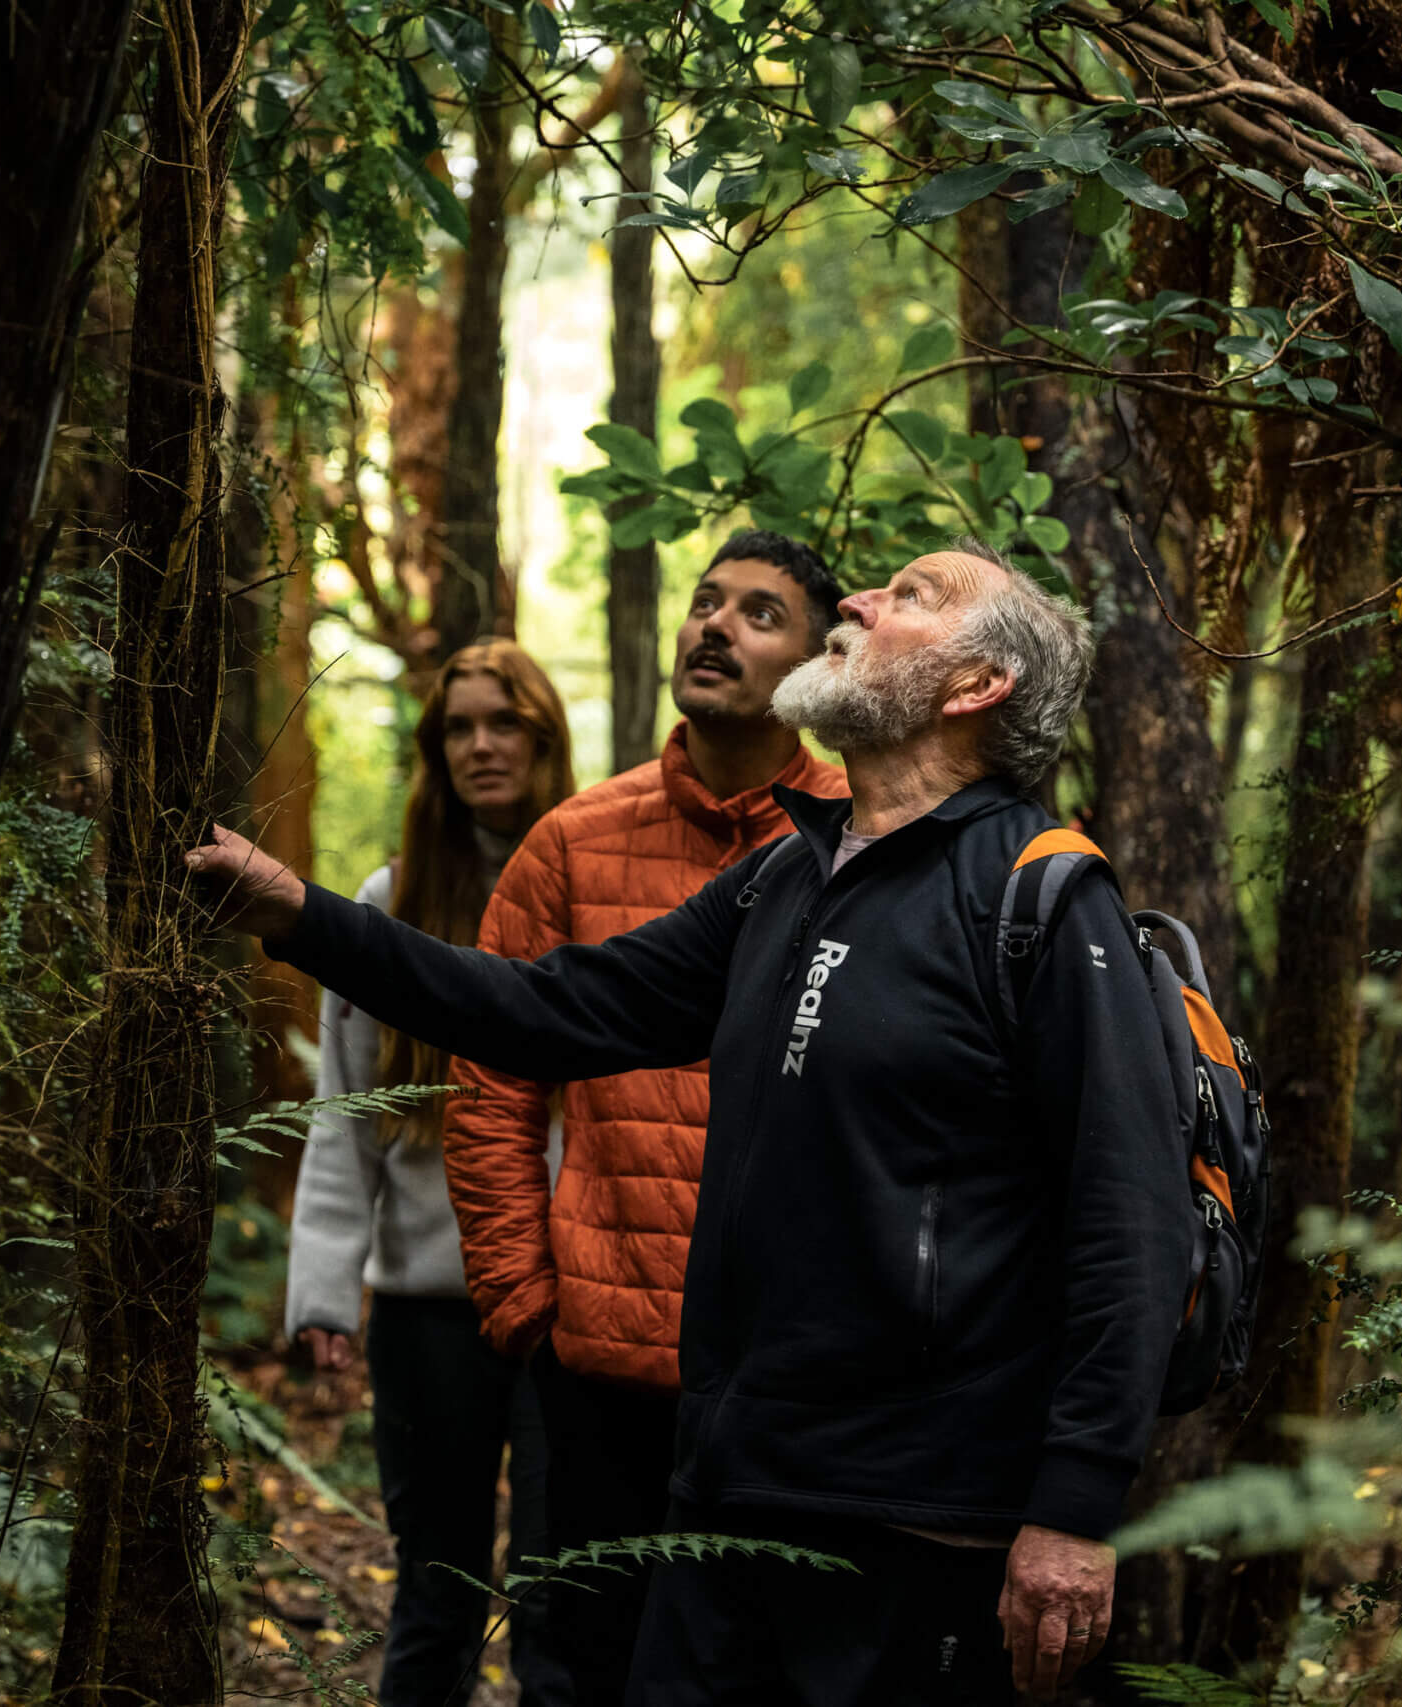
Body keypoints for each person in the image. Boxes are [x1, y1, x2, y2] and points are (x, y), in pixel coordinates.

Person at [195, 541, 1191, 1706]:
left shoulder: (1038, 896)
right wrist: (301, 915)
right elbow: (546, 1008)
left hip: (920, 1520)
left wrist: (1071, 1512)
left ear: (976, 690)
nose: (863, 600)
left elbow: (1131, 1218)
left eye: (913, 595)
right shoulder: (782, 878)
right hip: (726, 1488)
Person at [439, 531, 846, 1701]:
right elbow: (492, 1078)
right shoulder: (573, 840)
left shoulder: (867, 843)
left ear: (821, 666)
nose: (714, 625)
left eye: (760, 614)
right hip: (601, 1360)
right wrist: (522, 1294)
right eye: (705, 603)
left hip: (787, 1373)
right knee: (580, 1668)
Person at [282, 639, 578, 1707]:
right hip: (427, 1311)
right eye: (458, 727)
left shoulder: (597, 886)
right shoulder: (388, 898)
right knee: (435, 1594)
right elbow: (345, 1119)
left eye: (506, 723)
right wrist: (323, 1288)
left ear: (547, 740)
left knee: (562, 1595)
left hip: (572, 1308)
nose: (482, 746)